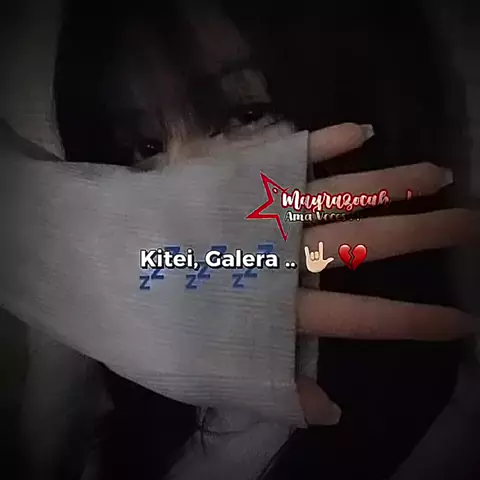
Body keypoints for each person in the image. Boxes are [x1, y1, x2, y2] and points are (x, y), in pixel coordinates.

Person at [0, 0, 478, 479]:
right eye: (145, 147)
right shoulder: (115, 426)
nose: (183, 183)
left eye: (247, 114)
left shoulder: (447, 440)